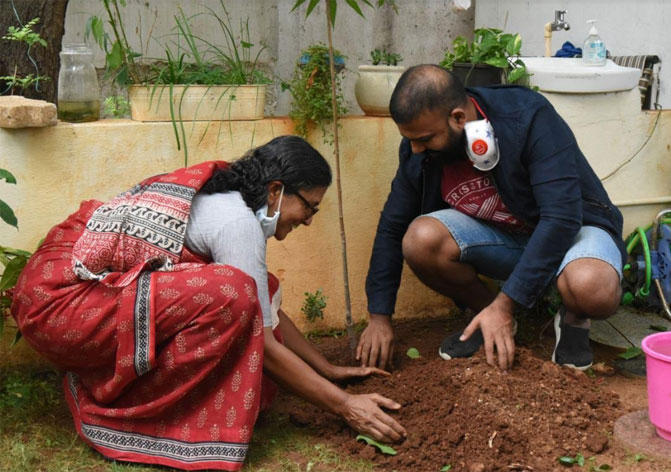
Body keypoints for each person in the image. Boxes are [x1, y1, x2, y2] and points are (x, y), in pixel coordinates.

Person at [11, 135, 406, 471]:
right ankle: (137, 410)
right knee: (231, 291)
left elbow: (263, 306)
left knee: (250, 286)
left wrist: (326, 368)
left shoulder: (225, 196)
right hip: (60, 307)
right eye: (310, 206)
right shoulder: (237, 224)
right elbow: (263, 342)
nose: (308, 221)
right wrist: (345, 406)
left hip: (57, 288)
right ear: (276, 190)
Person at [357, 64, 625, 372]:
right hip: (508, 238)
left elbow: (561, 218)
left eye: (425, 139)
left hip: (574, 231)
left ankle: (575, 318)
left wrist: (507, 303)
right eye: (410, 140)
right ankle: (488, 315)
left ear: (459, 118)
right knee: (420, 240)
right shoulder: (420, 147)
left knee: (591, 288)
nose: (415, 150)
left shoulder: (527, 116)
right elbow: (393, 226)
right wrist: (379, 317)